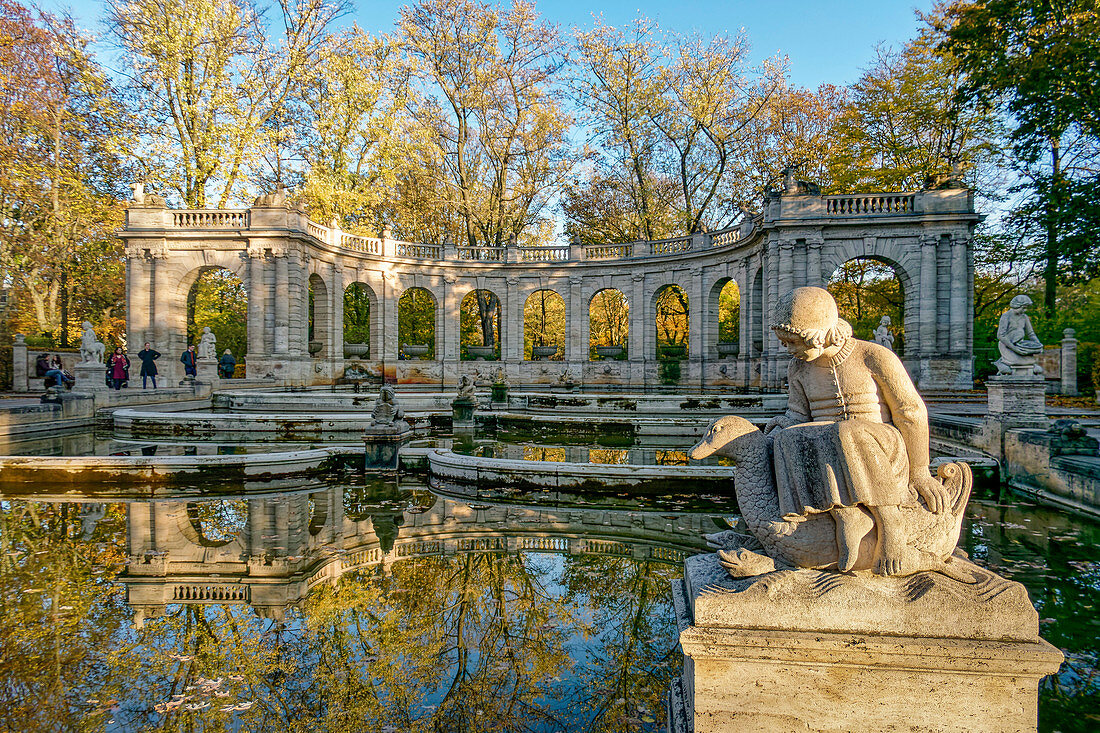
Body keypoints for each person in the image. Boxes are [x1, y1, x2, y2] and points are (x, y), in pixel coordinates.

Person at [764, 287, 947, 576]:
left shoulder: (872, 355)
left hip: (880, 448)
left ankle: (891, 524)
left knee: (846, 431)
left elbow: (910, 412)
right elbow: (798, 414)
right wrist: (782, 425)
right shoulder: (797, 367)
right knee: (789, 438)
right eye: (785, 342)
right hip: (832, 449)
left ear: (820, 332)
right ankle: (845, 514)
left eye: (794, 341)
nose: (789, 349)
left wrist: (920, 472)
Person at [993, 294, 1045, 375]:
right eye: (1023, 308)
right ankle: (1001, 363)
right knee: (1017, 362)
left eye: (1026, 308)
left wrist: (1039, 345)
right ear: (1016, 305)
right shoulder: (1006, 316)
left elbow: (1031, 334)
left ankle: (1006, 363)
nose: (1025, 310)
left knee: (1030, 362)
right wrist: (1014, 349)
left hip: (1020, 345)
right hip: (1008, 346)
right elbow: (1000, 335)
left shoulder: (1024, 317)